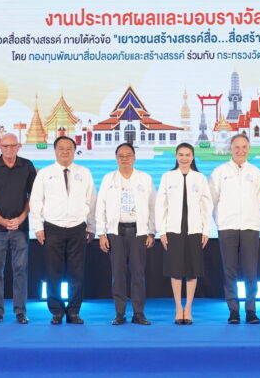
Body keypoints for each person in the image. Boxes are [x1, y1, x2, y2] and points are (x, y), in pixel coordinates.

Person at [29, 135, 97, 324]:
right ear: (55, 151)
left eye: (69, 148)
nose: (65, 152)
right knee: (53, 273)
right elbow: (36, 201)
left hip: (78, 227)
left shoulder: (84, 173)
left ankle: (74, 312)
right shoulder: (45, 173)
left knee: (77, 273)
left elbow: (92, 201)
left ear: (74, 151)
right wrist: (37, 227)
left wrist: (92, 226)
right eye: (61, 148)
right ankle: (57, 312)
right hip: (52, 227)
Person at [96, 142, 156, 325]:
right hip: (116, 232)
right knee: (118, 274)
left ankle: (138, 313)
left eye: (128, 155)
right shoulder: (108, 179)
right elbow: (100, 206)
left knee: (138, 274)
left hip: (139, 232)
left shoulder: (145, 178)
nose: (125, 159)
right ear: (116, 158)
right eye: (121, 156)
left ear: (134, 158)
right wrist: (101, 234)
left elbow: (153, 206)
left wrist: (152, 232)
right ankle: (119, 313)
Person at [0, 132, 37, 324]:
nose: (9, 149)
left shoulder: (27, 166)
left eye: (13, 146)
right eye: (5, 146)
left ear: (19, 146)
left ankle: (20, 312)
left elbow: (33, 196)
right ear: (0, 147)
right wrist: (1, 220)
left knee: (20, 269)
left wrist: (21, 218)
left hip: (20, 227)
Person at [208, 133, 260, 324]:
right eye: (236, 147)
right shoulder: (219, 172)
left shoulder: (256, 172)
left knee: (251, 271)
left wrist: (252, 219)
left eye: (244, 147)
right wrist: (221, 221)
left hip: (250, 227)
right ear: (230, 149)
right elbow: (211, 201)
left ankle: (251, 310)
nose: (240, 151)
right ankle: (233, 311)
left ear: (249, 148)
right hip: (227, 227)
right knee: (229, 271)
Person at [156, 142, 213, 325]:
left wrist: (206, 230)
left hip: (195, 230)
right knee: (175, 270)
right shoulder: (167, 177)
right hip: (173, 229)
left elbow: (207, 206)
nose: (184, 158)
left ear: (193, 157)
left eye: (188, 155)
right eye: (181, 154)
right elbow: (160, 205)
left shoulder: (200, 178)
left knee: (192, 270)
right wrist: (161, 231)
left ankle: (188, 308)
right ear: (176, 156)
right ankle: (177, 308)